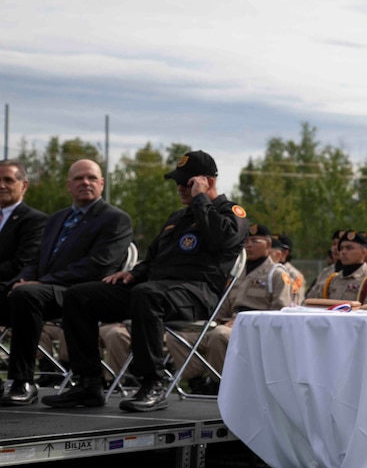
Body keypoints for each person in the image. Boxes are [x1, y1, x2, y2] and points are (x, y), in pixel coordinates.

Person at [42, 149, 247, 412]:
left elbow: (222, 240)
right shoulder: (177, 218)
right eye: (177, 182)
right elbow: (152, 259)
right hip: (154, 292)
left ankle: (153, 383)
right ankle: (88, 383)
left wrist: (200, 201)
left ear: (207, 181)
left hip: (196, 295)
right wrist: (132, 274)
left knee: (147, 294)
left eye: (186, 182)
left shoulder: (231, 213)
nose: (180, 188)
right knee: (79, 296)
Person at [1, 159, 132, 406]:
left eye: (92, 178)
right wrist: (24, 278)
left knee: (26, 296)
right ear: (68, 186)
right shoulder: (56, 219)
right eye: (78, 178)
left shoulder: (115, 219)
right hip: (45, 289)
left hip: (81, 292)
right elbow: (36, 258)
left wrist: (39, 282)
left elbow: (98, 266)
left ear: (102, 183)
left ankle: (22, 382)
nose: (85, 182)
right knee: (11, 292)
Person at [166, 224, 293, 393]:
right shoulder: (237, 274)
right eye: (246, 241)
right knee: (176, 336)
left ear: (268, 246)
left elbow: (280, 313)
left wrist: (242, 322)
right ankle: (197, 382)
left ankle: (219, 384)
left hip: (254, 329)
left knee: (219, 336)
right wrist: (213, 321)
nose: (248, 245)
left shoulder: (276, 274)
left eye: (255, 241)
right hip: (227, 324)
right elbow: (223, 307)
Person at [0, 160, 47, 287]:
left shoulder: (35, 220)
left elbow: (21, 263)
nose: (1, 185)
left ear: (24, 185)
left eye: (8, 180)